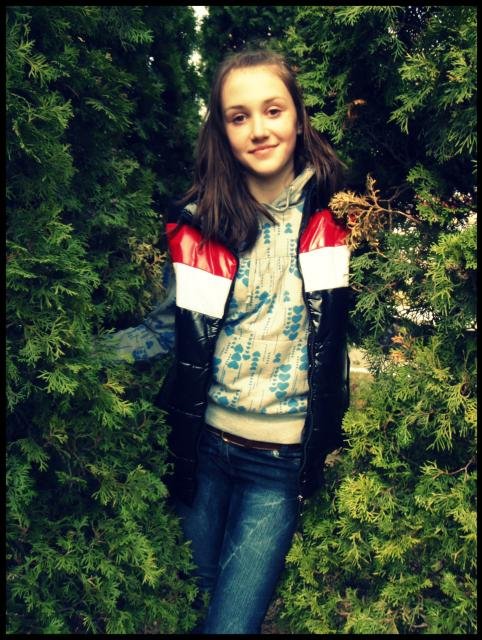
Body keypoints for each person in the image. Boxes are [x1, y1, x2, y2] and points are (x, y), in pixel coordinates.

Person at [109, 48, 351, 634]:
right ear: (221, 130)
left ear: (299, 118)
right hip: (206, 450)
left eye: (273, 110)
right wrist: (73, 353)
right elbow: (167, 329)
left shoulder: (342, 216)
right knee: (189, 609)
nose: (259, 129)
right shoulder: (200, 223)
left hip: (279, 463)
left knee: (231, 625)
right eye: (238, 116)